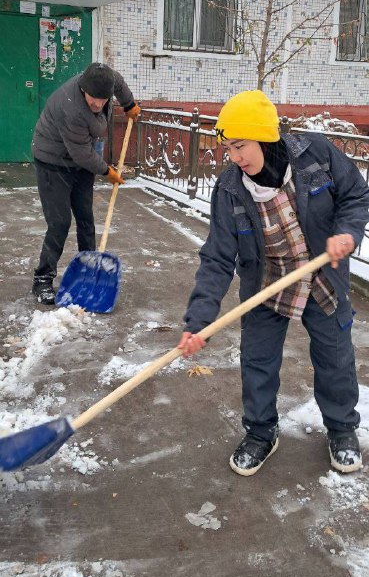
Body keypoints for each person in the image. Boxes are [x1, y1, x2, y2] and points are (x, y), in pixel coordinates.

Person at [177, 90, 369, 476]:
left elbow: (355, 195)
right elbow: (216, 256)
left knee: (334, 356)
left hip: (320, 274)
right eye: (228, 148)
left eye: (240, 146)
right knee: (258, 360)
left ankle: (343, 429)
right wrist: (199, 321)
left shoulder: (316, 154)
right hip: (266, 282)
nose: (234, 157)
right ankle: (261, 432)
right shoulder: (230, 188)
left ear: (264, 136)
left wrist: (347, 232)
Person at [31, 62, 140, 305]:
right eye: (93, 99)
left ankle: (88, 271)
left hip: (80, 162)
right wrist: (106, 171)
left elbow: (119, 84)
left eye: (103, 100)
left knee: (85, 219)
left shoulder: (106, 82)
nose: (98, 104)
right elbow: (81, 153)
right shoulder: (70, 108)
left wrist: (129, 103)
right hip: (53, 161)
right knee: (59, 222)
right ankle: (43, 279)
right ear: (83, 89)